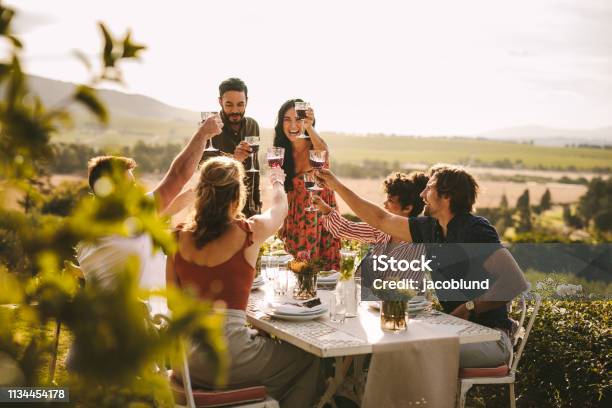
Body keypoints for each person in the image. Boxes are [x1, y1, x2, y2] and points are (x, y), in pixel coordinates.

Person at [315, 164, 528, 368]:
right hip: (455, 330)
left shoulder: (475, 231)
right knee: (392, 344)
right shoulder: (430, 229)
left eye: (429, 187)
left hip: (491, 337)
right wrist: (337, 186)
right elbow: (380, 219)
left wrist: (467, 308)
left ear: (447, 196)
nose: (422, 194)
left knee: (408, 352)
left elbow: (514, 283)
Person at [166, 156, 323, 407]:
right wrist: (277, 181)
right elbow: (281, 209)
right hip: (227, 359)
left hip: (185, 361)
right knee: (310, 357)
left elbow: (173, 304)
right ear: (237, 195)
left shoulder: (176, 238)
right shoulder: (250, 231)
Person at [76, 116, 222, 298]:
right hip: (149, 321)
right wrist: (203, 134)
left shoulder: (88, 231)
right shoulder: (130, 218)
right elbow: (178, 175)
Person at [274, 99, 340, 270]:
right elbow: (287, 190)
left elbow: (323, 153)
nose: (293, 125)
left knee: (324, 277)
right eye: (287, 119)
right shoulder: (281, 151)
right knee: (299, 276)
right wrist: (283, 222)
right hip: (295, 221)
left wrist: (309, 127)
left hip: (320, 219)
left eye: (298, 119)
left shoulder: (315, 146)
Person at [201, 77, 261, 217]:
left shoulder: (253, 126)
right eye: (229, 105)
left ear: (247, 101)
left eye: (240, 104)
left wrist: (257, 205)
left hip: (248, 210)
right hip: (218, 211)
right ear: (220, 101)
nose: (235, 110)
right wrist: (234, 160)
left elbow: (255, 170)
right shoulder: (209, 128)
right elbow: (206, 175)